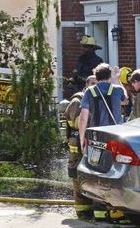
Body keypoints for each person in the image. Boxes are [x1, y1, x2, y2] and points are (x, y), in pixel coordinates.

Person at [79, 63, 127, 223]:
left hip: (95, 139)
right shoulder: (117, 90)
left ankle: (100, 212)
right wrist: (117, 80)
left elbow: (84, 117)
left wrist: (82, 139)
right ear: (108, 76)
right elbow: (125, 101)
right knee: (115, 173)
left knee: (96, 172)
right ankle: (116, 211)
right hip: (116, 139)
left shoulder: (89, 92)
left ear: (96, 77)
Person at [64, 88, 91, 220]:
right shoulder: (77, 101)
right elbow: (76, 123)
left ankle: (90, 209)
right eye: (92, 84)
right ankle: (82, 211)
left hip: (87, 145)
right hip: (77, 147)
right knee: (77, 177)